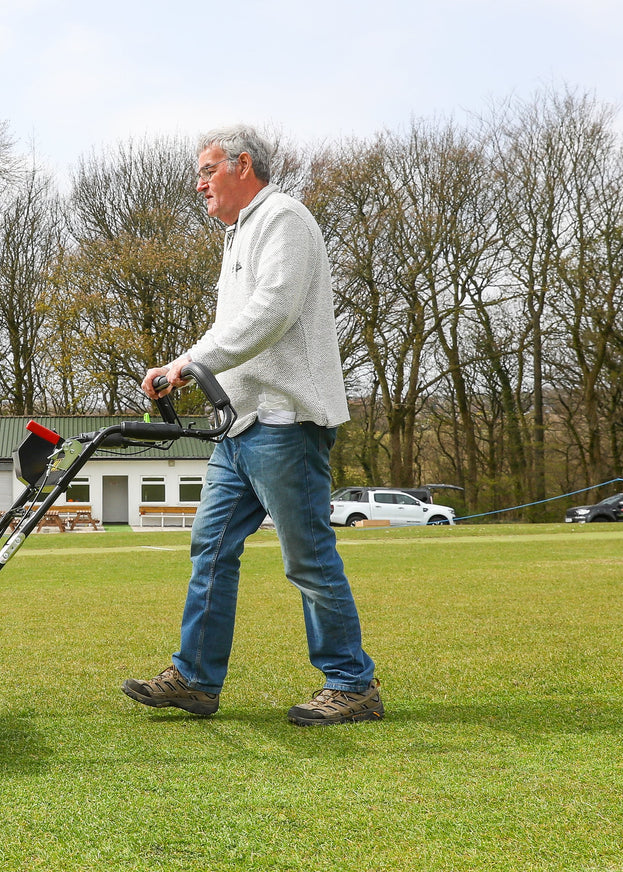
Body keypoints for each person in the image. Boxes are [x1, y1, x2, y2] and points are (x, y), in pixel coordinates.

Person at [122, 124, 382, 726]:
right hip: (238, 426)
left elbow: (273, 311)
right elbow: (231, 327)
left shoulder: (283, 218)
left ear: (244, 166)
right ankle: (195, 678)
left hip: (285, 420)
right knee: (210, 549)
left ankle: (353, 684)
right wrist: (186, 365)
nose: (199, 184)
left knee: (308, 559)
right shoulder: (238, 235)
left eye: (207, 171)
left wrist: (194, 363)